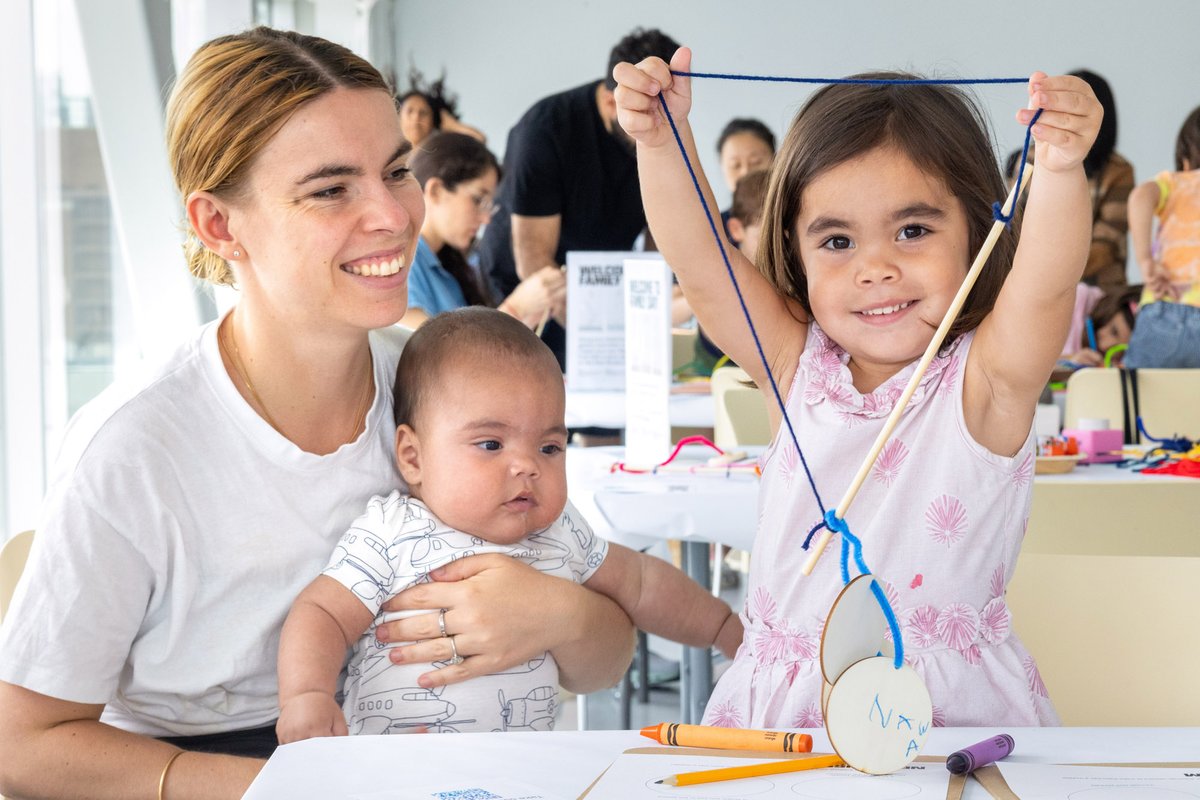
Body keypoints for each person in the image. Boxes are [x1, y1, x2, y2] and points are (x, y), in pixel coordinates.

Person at [0, 28, 636, 799]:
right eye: (331, 189)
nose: (392, 215)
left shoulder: (442, 390)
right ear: (219, 225)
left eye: (396, 171)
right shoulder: (135, 448)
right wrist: (297, 787)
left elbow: (606, 659)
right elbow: (22, 746)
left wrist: (560, 614)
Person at [614, 48, 1101, 726]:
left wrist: (1059, 169)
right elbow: (700, 261)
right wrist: (661, 141)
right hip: (787, 717)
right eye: (837, 242)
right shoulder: (792, 361)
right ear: (796, 250)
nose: (875, 268)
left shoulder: (987, 381)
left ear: (977, 230)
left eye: (912, 230)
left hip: (946, 721)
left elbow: (1047, 282)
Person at [276, 308, 743, 741]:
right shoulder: (391, 530)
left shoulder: (561, 530)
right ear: (413, 457)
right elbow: (323, 613)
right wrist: (306, 695)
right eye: (491, 444)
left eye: (549, 448)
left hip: (522, 773)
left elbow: (642, 582)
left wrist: (725, 628)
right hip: (396, 771)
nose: (527, 466)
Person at [478, 27, 681, 369]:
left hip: (597, 278)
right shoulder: (545, 131)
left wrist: (650, 309)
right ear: (610, 101)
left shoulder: (663, 127)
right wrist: (598, 333)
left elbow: (658, 238)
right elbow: (534, 260)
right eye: (649, 113)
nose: (660, 123)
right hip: (528, 284)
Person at [399, 132, 565, 331]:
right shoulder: (403, 260)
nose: (486, 219)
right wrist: (516, 309)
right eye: (478, 200)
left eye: (488, 205)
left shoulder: (448, 269)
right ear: (436, 191)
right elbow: (421, 345)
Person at [1006, 69, 1133, 294]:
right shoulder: (1030, 159)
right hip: (1029, 286)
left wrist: (1047, 277)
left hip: (1098, 293)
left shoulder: (1118, 171)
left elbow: (1105, 246)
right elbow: (1011, 228)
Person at [1124, 106, 1200, 368]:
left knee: (1140, 389)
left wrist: (1145, 259)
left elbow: (1140, 196)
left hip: (1167, 308)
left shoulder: (1179, 182)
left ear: (1186, 157)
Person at [716, 118, 776, 243]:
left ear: (777, 161)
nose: (745, 172)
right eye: (735, 165)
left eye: (755, 162)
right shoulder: (714, 230)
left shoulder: (795, 215)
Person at [398, 68, 486, 147]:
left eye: (423, 112)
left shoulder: (442, 153)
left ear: (433, 121)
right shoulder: (391, 153)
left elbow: (479, 139)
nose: (416, 117)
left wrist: (452, 125)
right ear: (398, 116)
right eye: (409, 111)